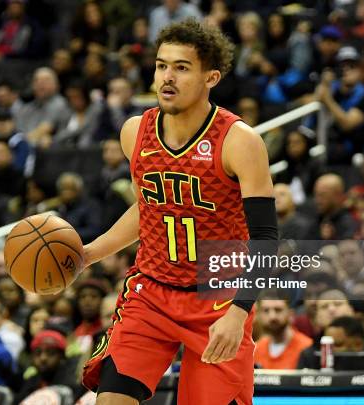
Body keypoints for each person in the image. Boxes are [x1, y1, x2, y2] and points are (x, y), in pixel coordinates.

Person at [81, 19, 277, 405]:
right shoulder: (135, 132)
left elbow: (267, 238)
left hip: (217, 296)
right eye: (161, 65)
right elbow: (148, 210)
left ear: (211, 77)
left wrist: (239, 314)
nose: (167, 77)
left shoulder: (239, 142)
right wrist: (89, 254)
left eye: (182, 68)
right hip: (151, 291)